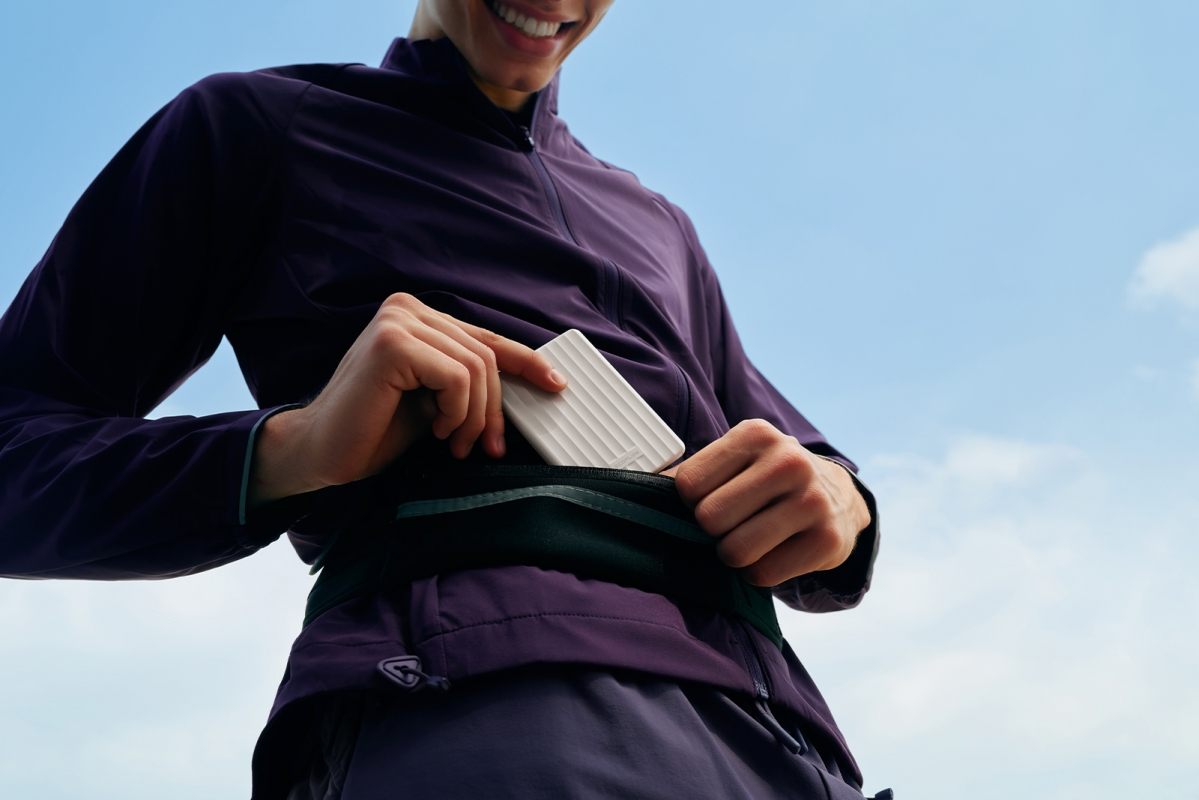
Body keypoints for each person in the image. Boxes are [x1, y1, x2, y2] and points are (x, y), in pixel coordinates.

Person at [0, 0, 884, 797]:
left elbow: (794, 451)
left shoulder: (661, 224)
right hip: (491, 699)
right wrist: (287, 451)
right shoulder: (255, 125)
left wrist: (841, 503)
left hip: (785, 739)